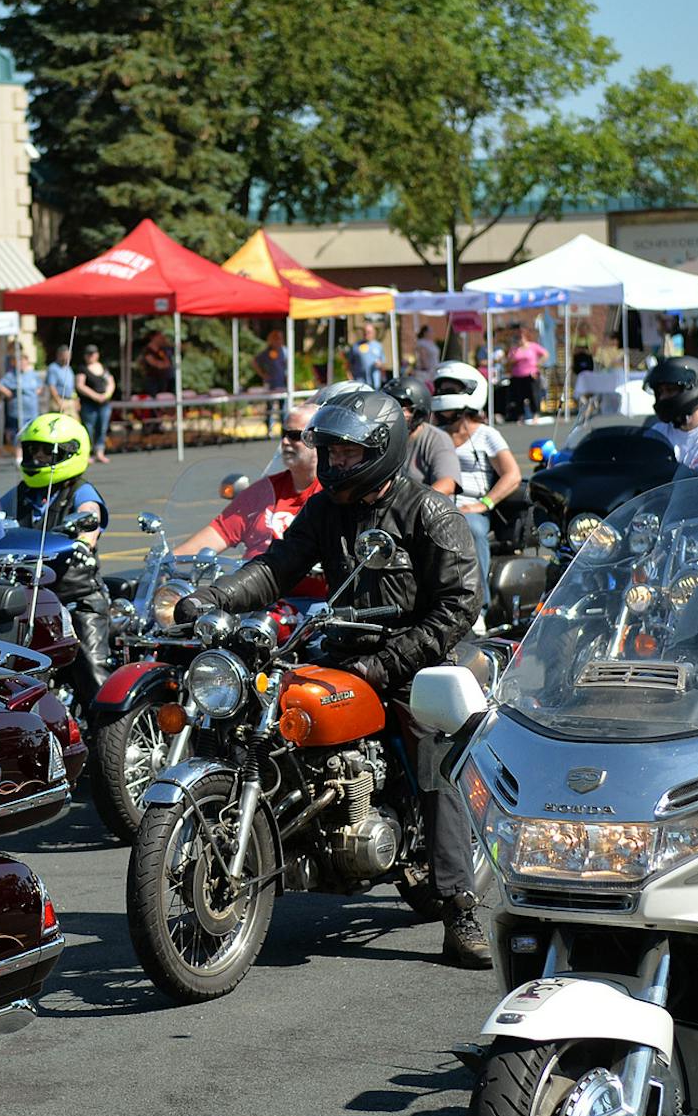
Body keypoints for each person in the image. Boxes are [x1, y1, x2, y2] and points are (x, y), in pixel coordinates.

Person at [176, 387, 485, 967]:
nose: (336, 462)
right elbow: (276, 568)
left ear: (382, 448)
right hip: (344, 650)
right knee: (257, 715)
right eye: (331, 451)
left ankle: (460, 905)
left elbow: (458, 604)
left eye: (347, 453)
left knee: (432, 757)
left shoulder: (428, 511)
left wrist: (391, 661)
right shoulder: (325, 509)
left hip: (417, 656)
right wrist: (213, 598)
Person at [2, 412, 113, 698]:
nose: (37, 457)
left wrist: (84, 537)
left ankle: (107, 733)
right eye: (32, 450)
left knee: (95, 674)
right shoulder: (19, 495)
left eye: (46, 451)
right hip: (28, 597)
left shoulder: (80, 491)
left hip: (75, 596)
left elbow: (90, 516)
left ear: (70, 452)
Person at [178, 401, 320, 556]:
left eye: (294, 436)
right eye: (283, 434)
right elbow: (217, 534)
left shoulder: (332, 495)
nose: (285, 442)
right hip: (249, 577)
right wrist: (165, 564)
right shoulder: (264, 491)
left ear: (318, 440)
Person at [434, 391, 520, 612]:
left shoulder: (486, 434)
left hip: (472, 506)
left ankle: (479, 607)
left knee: (472, 528)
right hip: (438, 503)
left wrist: (485, 503)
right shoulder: (435, 435)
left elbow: (512, 475)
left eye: (449, 389)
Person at [380, 375, 460, 496]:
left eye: (403, 406)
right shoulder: (379, 438)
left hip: (421, 511)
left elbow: (447, 484)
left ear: (419, 412)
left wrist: (413, 505)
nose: (394, 411)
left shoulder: (436, 439)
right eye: (390, 405)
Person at [0, 345, 45, 454]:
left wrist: (36, 392)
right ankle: (19, 455)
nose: (21, 364)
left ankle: (32, 454)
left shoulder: (32, 374)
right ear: (14, 363)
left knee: (33, 432)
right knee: (19, 434)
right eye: (19, 361)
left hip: (32, 411)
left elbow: (40, 385)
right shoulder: (11, 375)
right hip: (18, 412)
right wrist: (8, 393)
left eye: (23, 361)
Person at [77, 344, 116, 463]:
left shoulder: (103, 368)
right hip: (89, 404)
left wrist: (106, 395)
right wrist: (95, 396)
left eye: (93, 354)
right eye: (88, 354)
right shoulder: (82, 369)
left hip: (104, 403)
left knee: (102, 428)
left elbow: (111, 382)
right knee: (88, 428)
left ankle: (100, 451)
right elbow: (80, 385)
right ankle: (87, 453)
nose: (91, 356)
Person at [504, 324, 549, 422]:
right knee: (519, 396)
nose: (520, 340)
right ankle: (520, 415)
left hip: (531, 374)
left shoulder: (533, 346)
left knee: (533, 395)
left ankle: (535, 415)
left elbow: (545, 354)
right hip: (517, 375)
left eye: (521, 337)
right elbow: (508, 362)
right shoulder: (514, 349)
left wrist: (538, 364)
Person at [255, 328, 290, 434]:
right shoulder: (267, 353)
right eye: (276, 339)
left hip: (282, 384)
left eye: (279, 339)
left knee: (283, 407)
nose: (278, 341)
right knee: (270, 407)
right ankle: (269, 428)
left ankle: (283, 428)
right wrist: (263, 374)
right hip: (271, 384)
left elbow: (287, 366)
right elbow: (255, 361)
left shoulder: (285, 351)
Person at [347, 322, 387, 390]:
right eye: (365, 332)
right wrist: (349, 375)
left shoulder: (378, 346)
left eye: (369, 332)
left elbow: (383, 363)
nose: (366, 334)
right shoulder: (356, 346)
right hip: (360, 382)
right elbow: (349, 363)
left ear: (374, 333)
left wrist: (380, 364)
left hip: (374, 382)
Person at [137, 330, 176, 397]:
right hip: (153, 381)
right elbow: (157, 364)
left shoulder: (161, 350)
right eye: (159, 336)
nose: (162, 338)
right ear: (153, 337)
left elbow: (167, 363)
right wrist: (164, 364)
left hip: (164, 380)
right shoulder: (148, 351)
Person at [46, 342, 79, 417]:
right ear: (59, 355)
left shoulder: (69, 368)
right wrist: (58, 401)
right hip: (59, 400)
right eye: (65, 356)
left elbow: (71, 387)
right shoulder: (53, 368)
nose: (67, 358)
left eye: (69, 356)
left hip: (70, 401)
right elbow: (52, 387)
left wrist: (76, 400)